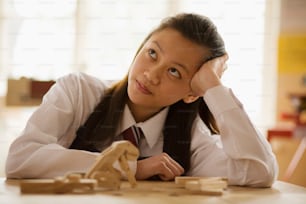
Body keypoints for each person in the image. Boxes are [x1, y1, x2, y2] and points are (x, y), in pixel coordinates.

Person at [5, 13, 278, 187]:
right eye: (152, 53)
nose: (151, 74)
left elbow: (259, 171)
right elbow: (20, 160)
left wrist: (214, 87)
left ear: (192, 92)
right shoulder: (78, 92)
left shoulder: (189, 136)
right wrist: (132, 169)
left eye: (174, 71)